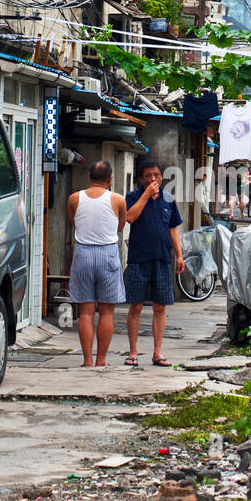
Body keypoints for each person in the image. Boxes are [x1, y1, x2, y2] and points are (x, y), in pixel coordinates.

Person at [124, 157, 184, 367]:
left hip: (161, 258)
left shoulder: (168, 199)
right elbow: (129, 217)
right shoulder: (132, 197)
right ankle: (133, 352)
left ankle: (157, 353)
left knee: (160, 307)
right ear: (141, 179)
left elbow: (173, 228)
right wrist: (146, 196)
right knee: (136, 306)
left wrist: (179, 254)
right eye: (148, 176)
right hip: (138, 258)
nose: (153, 179)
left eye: (156, 175)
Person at [66, 160, 126, 367]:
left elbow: (74, 221)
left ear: (90, 177)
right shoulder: (118, 199)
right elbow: (120, 225)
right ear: (110, 179)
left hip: (83, 252)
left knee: (85, 311)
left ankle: (87, 360)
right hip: (108, 252)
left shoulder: (75, 198)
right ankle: (101, 360)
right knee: (107, 311)